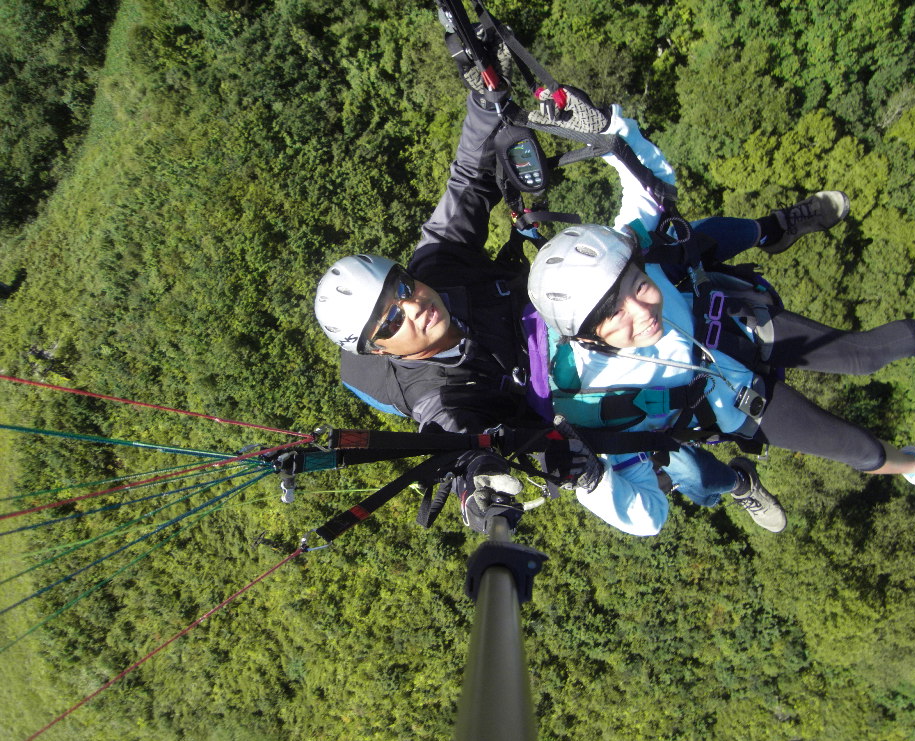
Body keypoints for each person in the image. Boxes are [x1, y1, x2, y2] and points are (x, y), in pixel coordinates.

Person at [312, 45, 840, 533]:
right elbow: (448, 435)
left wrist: (483, 95)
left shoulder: (437, 267)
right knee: (681, 454)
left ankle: (773, 228)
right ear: (379, 348)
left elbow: (468, 181)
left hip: (563, 306)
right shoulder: (434, 393)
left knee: (668, 244)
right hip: (569, 395)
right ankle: (738, 481)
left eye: (401, 286)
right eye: (390, 321)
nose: (412, 306)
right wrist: (476, 480)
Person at [528, 216, 915, 516]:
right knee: (859, 449)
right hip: (741, 407)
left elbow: (645, 178)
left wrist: (609, 127)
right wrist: (591, 479)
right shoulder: (592, 393)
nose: (641, 312)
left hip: (740, 333)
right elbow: (648, 515)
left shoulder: (637, 262)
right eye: (615, 313)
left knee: (862, 355)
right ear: (586, 335)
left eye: (636, 288)